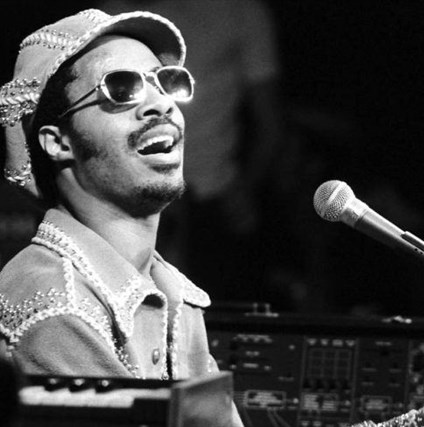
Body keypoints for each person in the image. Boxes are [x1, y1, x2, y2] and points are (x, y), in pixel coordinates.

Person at [0, 8, 424, 427]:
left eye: (165, 82)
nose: (161, 103)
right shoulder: (58, 305)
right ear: (58, 142)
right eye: (121, 89)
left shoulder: (167, 293)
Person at [96, 0, 286, 304]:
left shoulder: (241, 10)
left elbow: (271, 123)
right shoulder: (114, 11)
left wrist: (247, 189)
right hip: (128, 196)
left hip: (213, 199)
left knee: (208, 312)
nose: (163, 103)